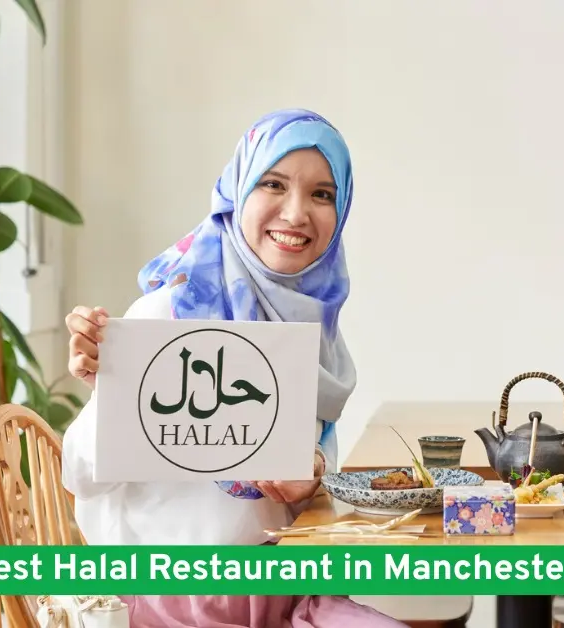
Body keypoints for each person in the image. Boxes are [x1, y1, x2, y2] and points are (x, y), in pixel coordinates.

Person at [60, 109, 407, 628]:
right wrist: (117, 400)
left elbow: (289, 501)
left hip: (284, 591)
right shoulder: (172, 311)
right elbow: (79, 477)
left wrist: (311, 480)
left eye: (322, 194)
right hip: (167, 604)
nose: (296, 213)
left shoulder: (312, 327)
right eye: (273, 184)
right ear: (237, 191)